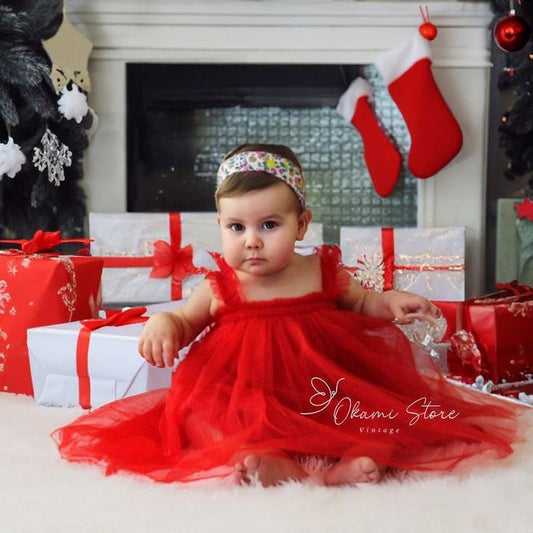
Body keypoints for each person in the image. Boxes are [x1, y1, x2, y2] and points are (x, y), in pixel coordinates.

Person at [53, 143, 528, 487]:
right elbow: (185, 319)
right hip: (249, 387)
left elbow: (364, 300)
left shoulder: (321, 271)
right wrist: (165, 324)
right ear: (219, 226)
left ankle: (353, 462)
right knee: (207, 415)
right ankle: (276, 461)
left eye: (269, 225)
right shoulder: (221, 284)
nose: (252, 240)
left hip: (323, 383)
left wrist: (392, 301)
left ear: (301, 224)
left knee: (373, 416)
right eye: (236, 227)